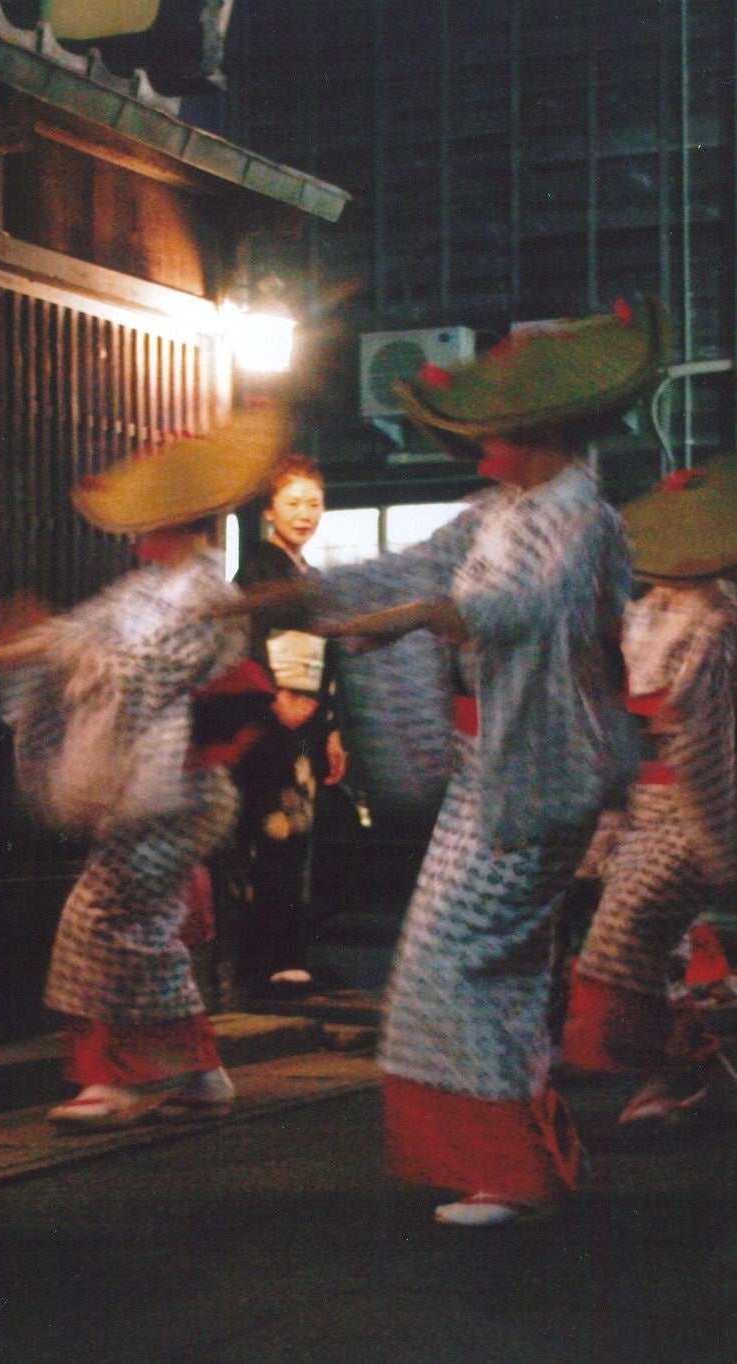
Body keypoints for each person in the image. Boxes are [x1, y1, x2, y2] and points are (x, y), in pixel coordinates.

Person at [243, 301, 661, 1226]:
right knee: (451, 959)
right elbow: (410, 572)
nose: (479, 447)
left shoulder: (581, 517)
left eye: (494, 428)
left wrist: (424, 618)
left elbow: (518, 606)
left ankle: (517, 1166)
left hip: (544, 765)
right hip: (492, 765)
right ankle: (510, 1157)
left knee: (471, 959)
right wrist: (297, 593)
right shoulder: (497, 513)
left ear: (538, 429)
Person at [0, 408, 286, 1130]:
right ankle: (196, 1069)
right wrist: (5, 654)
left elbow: (140, 673)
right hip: (150, 781)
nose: (137, 531)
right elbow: (78, 635)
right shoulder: (143, 592)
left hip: (179, 784)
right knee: (132, 922)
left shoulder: (208, 596)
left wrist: (56, 654)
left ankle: (129, 1077)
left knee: (105, 920)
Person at [562, 445, 737, 1128]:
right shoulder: (644, 614)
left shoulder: (723, 623)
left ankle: (681, 1075)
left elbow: (699, 734)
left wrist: (717, 836)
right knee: (635, 949)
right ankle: (698, 1079)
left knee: (624, 940)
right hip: (643, 805)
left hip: (694, 807)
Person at [230, 455, 348, 996]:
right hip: (271, 715)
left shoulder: (309, 577)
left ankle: (286, 952)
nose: (304, 514)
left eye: (314, 503)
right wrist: (273, 695)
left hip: (305, 714)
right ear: (270, 509)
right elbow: (244, 639)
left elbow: (331, 656)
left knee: (296, 832)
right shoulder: (256, 570)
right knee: (273, 830)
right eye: (293, 502)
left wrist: (332, 727)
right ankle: (266, 958)